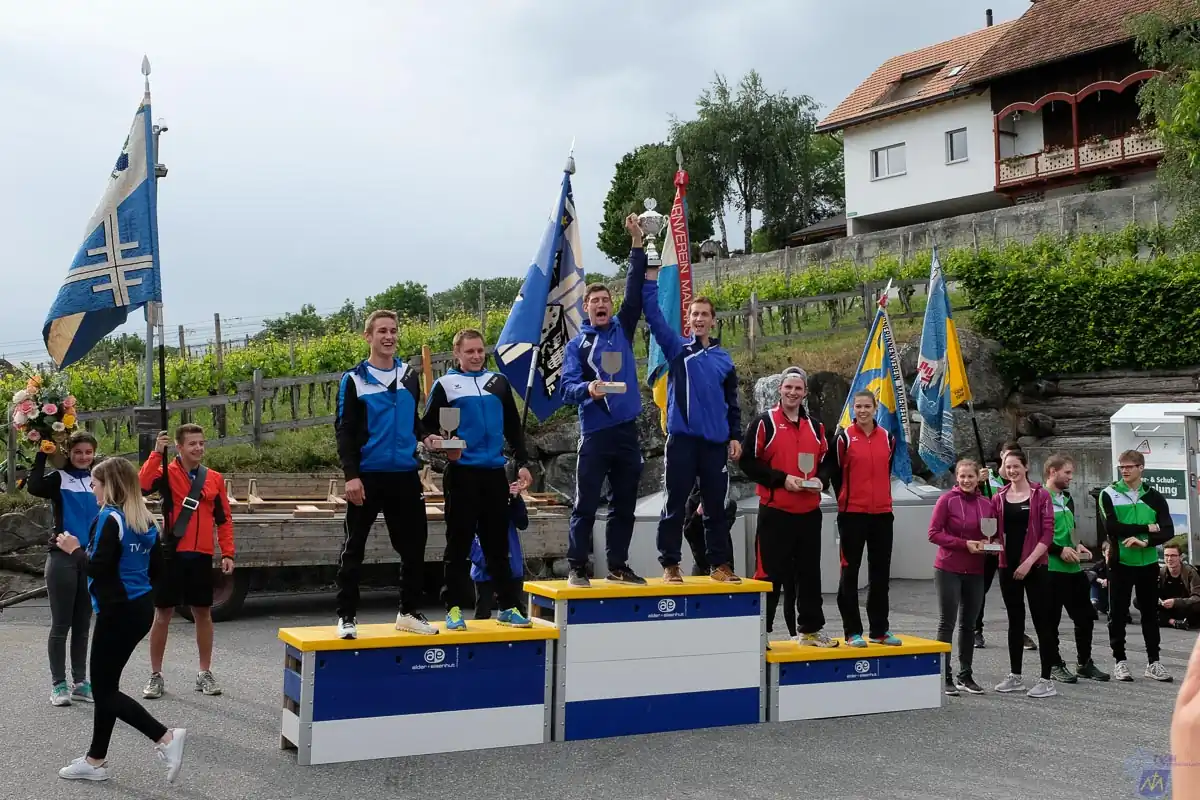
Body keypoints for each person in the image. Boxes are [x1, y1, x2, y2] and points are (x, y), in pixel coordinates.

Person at [54, 456, 187, 784]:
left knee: (104, 692)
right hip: (139, 609)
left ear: (110, 485)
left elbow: (96, 567)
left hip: (118, 613)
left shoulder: (109, 518)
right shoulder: (146, 520)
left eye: (96, 483)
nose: (93, 489)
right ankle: (95, 760)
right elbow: (158, 571)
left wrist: (73, 549)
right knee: (106, 687)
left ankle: (165, 737)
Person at [334, 309, 439, 639]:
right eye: (382, 331)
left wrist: (426, 436)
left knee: (414, 546)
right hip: (367, 475)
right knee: (355, 546)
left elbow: (412, 419)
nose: (389, 336)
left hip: (405, 474)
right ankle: (346, 616)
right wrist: (351, 475)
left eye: (393, 330)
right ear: (368, 336)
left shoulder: (408, 375)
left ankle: (408, 612)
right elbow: (344, 430)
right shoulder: (353, 379)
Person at [424, 329, 534, 631]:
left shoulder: (498, 382)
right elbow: (426, 426)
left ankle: (508, 606)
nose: (475, 356)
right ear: (457, 354)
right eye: (469, 351)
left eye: (479, 351)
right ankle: (453, 608)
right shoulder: (445, 385)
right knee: (458, 544)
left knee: (497, 544)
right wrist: (437, 442)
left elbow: (513, 427)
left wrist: (522, 463)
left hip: (494, 473)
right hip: (462, 473)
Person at [559, 213, 647, 588]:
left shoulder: (623, 329)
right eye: (594, 300)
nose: (601, 304)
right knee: (585, 503)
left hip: (626, 431)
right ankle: (577, 566)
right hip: (595, 433)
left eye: (605, 300)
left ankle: (617, 564)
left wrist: (637, 242)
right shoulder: (577, 346)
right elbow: (567, 387)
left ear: (611, 306)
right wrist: (588, 389)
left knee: (624, 505)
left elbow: (634, 286)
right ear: (586, 309)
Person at [640, 276, 742, 584]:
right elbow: (654, 317)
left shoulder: (724, 359)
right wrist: (649, 280)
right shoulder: (678, 349)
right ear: (688, 320)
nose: (699, 319)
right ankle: (671, 564)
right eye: (694, 314)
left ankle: (719, 565)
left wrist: (735, 436)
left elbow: (732, 402)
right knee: (674, 504)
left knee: (716, 508)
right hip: (682, 441)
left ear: (713, 321)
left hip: (714, 444)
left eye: (704, 314)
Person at [739, 367, 836, 646]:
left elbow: (828, 460)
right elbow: (748, 462)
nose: (793, 392)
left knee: (809, 573)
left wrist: (821, 479)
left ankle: (810, 630)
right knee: (768, 575)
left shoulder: (815, 426)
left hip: (809, 512)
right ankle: (761, 634)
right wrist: (781, 479)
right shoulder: (764, 422)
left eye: (798, 388)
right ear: (780, 389)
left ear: (805, 393)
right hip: (776, 512)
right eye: (788, 387)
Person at [138, 424, 234, 700]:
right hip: (171, 554)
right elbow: (142, 485)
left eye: (201, 443)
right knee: (163, 615)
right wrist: (156, 453)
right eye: (192, 444)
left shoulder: (213, 478)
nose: (198, 448)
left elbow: (224, 519)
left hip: (201, 555)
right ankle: (156, 675)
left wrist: (228, 552)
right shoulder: (166, 474)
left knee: (203, 613)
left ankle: (205, 672)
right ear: (179, 447)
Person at [27, 432, 100, 706]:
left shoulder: (98, 479)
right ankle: (58, 685)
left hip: (89, 557)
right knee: (61, 625)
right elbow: (34, 486)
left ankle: (81, 682)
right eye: (78, 452)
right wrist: (42, 451)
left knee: (82, 625)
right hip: (62, 557)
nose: (83, 456)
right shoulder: (59, 478)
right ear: (68, 452)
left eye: (88, 452)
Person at [828, 390, 901, 647]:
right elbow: (835, 474)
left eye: (867, 406)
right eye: (858, 406)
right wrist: (845, 499)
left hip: (882, 514)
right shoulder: (843, 439)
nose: (862, 411)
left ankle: (879, 630)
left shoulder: (888, 438)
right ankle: (852, 631)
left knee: (880, 574)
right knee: (850, 572)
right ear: (853, 409)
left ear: (875, 408)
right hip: (852, 515)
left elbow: (885, 470)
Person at [1102, 448, 1175, 682]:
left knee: (1150, 613)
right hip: (1120, 562)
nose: (1124, 470)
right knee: (1118, 613)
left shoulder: (1154, 496)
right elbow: (1112, 528)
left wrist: (1145, 541)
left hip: (1148, 563)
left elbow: (1168, 530)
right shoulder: (1109, 493)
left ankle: (1154, 662)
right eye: (1121, 466)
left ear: (1141, 468)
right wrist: (1146, 528)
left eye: (1129, 467)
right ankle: (1120, 661)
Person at [990, 450, 1058, 698]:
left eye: (1016, 466)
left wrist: (1028, 562)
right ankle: (1015, 675)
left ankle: (1046, 679)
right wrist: (991, 543)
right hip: (1007, 565)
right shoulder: (998, 497)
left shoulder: (1041, 495)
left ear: (1026, 467)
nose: (1012, 471)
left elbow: (1047, 534)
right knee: (1015, 620)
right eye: (1007, 467)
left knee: (1042, 620)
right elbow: (992, 530)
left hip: (1035, 566)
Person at [927, 458, 992, 696]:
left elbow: (993, 535)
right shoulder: (946, 500)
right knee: (947, 622)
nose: (966, 480)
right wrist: (965, 544)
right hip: (948, 568)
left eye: (970, 476)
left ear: (978, 478)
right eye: (962, 476)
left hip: (975, 570)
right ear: (956, 477)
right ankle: (944, 675)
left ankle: (966, 675)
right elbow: (933, 533)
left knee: (969, 625)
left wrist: (991, 544)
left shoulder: (987, 503)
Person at [1042, 455, 1110, 683]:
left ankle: (1084, 663)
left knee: (1085, 616)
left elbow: (1070, 527)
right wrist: (1058, 550)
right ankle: (1054, 664)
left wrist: (1077, 543)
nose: (1071, 477)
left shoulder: (1066, 498)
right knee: (1051, 620)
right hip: (1050, 568)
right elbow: (1034, 534)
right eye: (1067, 473)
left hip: (1072, 569)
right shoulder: (1039, 497)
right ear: (1053, 471)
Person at [976, 441, 1035, 653]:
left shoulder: (1023, 484)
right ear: (1001, 456)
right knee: (980, 588)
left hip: (1013, 546)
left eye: (1015, 461)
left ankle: (1019, 631)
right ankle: (976, 628)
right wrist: (978, 484)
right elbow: (977, 503)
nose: (1011, 467)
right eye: (1007, 458)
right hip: (991, 542)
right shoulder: (987, 478)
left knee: (1015, 594)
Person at [472, 481, 528, 620]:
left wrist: (516, 499)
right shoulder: (477, 502)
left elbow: (522, 523)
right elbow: (469, 538)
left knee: (518, 612)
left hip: (511, 567)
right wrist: (484, 561)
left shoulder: (507, 503)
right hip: (484, 570)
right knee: (483, 615)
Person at [683, 482, 738, 576]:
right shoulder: (692, 501)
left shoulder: (727, 503)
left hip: (723, 561)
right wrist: (698, 514)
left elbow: (724, 528)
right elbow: (688, 531)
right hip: (702, 562)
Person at [1153, 543, 1200, 630]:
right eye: (1166, 555)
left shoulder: (1190, 572)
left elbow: (1197, 597)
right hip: (1167, 608)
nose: (1169, 559)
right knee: (1139, 601)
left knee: (1197, 605)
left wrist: (1176, 602)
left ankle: (1169, 620)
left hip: (1184, 606)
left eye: (1173, 555)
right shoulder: (1161, 572)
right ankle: (1173, 622)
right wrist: (1160, 601)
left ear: (1181, 557)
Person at [1087, 541, 1110, 616]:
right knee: (1093, 578)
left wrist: (1110, 581)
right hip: (1102, 599)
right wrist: (1100, 580)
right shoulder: (1099, 565)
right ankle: (1093, 603)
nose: (1111, 555)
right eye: (1109, 552)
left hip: (1115, 598)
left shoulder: (1119, 566)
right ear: (1103, 553)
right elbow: (1088, 574)